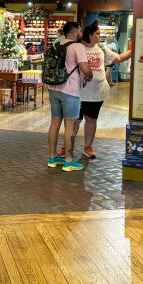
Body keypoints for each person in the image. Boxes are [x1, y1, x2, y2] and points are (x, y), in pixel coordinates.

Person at [73, 22, 132, 159]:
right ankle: (67, 147)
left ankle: (87, 147)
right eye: (97, 34)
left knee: (91, 120)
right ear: (89, 35)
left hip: (97, 92)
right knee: (75, 121)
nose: (100, 36)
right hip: (78, 92)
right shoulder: (77, 48)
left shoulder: (101, 48)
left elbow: (118, 58)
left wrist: (133, 50)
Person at [47, 22, 92, 172]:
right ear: (74, 31)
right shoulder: (78, 47)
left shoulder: (56, 45)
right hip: (70, 91)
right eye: (80, 30)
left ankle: (53, 158)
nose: (81, 33)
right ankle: (68, 161)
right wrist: (90, 75)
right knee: (70, 126)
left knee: (54, 124)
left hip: (53, 88)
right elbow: (85, 69)